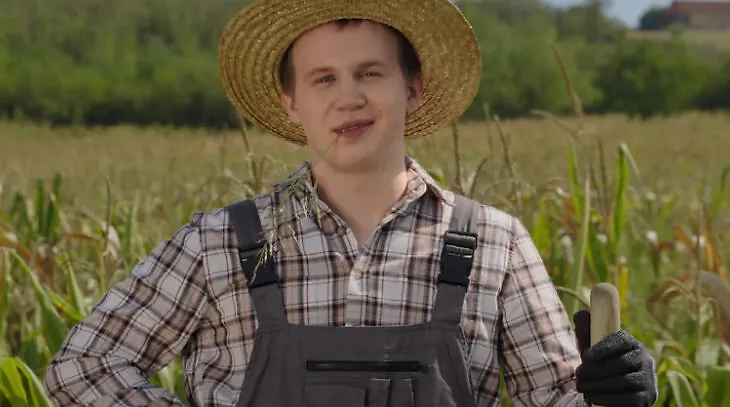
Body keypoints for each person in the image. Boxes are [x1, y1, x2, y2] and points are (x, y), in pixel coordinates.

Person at [43, 0, 659, 406]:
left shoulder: (495, 244)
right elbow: (84, 368)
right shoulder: (219, 243)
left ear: (412, 88)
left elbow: (556, 400)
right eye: (324, 79)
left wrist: (616, 390)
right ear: (291, 102)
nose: (349, 98)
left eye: (370, 73)